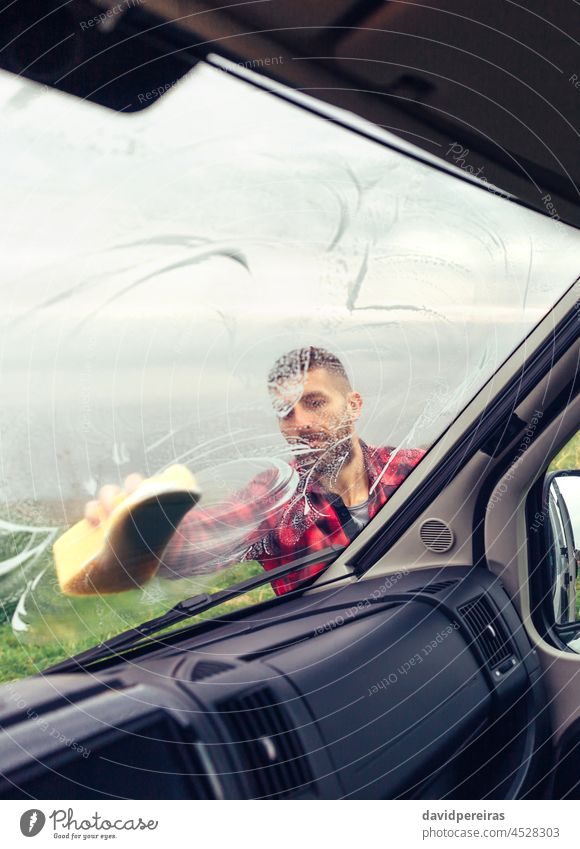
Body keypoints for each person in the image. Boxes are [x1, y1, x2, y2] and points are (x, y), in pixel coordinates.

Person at [85, 347, 426, 595]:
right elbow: (206, 536)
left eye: (315, 402)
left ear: (353, 405)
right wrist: (142, 531)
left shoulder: (413, 468)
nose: (301, 423)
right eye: (285, 412)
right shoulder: (277, 499)